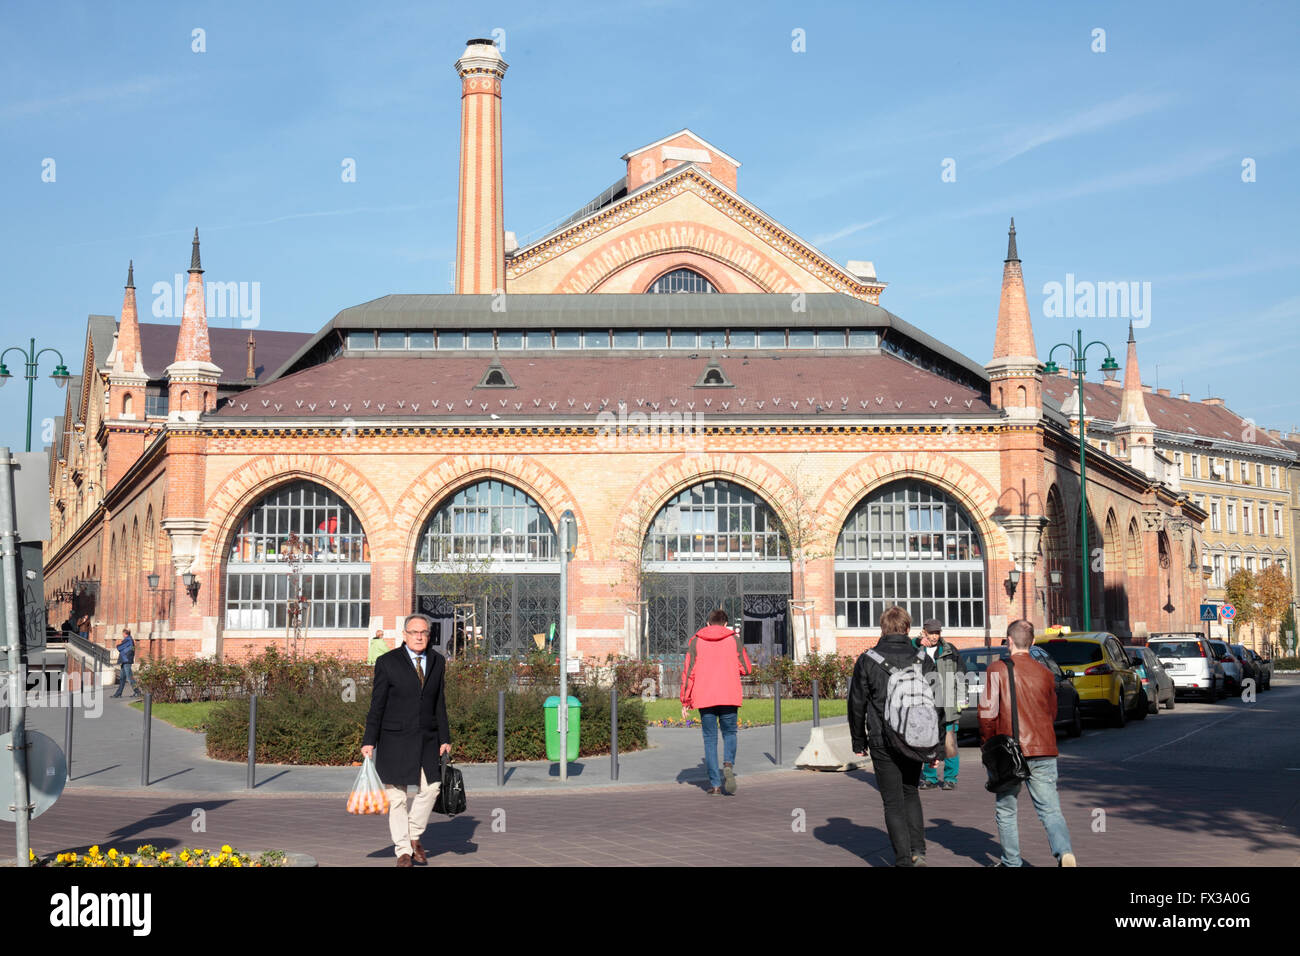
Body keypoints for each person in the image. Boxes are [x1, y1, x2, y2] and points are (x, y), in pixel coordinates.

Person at [848, 605, 940, 866]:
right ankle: (918, 851)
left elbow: (857, 703)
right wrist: (936, 748)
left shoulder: (868, 659)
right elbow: (938, 705)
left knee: (892, 801)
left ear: (882, 628)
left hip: (881, 737)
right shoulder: (924, 659)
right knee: (911, 791)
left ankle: (902, 858)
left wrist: (858, 741)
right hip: (916, 737)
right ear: (908, 628)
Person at [980, 619, 1076, 868]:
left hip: (1010, 750)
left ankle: (1012, 862)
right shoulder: (1045, 673)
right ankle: (1064, 852)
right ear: (1032, 643)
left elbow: (988, 714)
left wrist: (987, 745)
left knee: (1006, 809)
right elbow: (1052, 713)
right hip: (1043, 747)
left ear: (1008, 641)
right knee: (1050, 810)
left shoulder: (997, 670)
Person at [362, 613, 452, 866]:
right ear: (404, 635)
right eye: (414, 632)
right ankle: (403, 850)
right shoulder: (387, 662)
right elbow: (377, 704)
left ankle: (413, 834)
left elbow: (439, 702)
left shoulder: (437, 661)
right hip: (394, 739)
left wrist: (445, 737)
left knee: (432, 787)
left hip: (427, 738)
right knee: (398, 798)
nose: (419, 637)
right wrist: (369, 740)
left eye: (423, 632)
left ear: (429, 635)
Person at [680, 608, 753, 795]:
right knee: (730, 733)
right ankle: (728, 763)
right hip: (729, 695)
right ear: (726, 624)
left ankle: (714, 784)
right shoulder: (734, 640)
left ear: (707, 624)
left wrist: (685, 700)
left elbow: (689, 673)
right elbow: (746, 668)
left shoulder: (695, 641)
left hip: (705, 698)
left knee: (710, 740)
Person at [915, 617, 965, 791]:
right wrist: (916, 641)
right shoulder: (917, 650)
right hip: (925, 706)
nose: (935, 636)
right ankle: (930, 777)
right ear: (924, 632)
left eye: (937, 632)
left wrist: (961, 698)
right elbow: (903, 646)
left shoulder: (950, 650)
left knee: (949, 743)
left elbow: (961, 675)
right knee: (928, 743)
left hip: (948, 705)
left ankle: (950, 777)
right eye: (931, 633)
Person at [112, 629, 141, 698]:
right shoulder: (129, 640)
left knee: (130, 677)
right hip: (125, 661)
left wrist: (118, 646)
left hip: (126, 661)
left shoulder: (128, 641)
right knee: (122, 678)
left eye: (123, 634)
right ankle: (118, 693)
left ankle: (137, 692)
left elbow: (120, 648)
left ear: (125, 633)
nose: (122, 635)